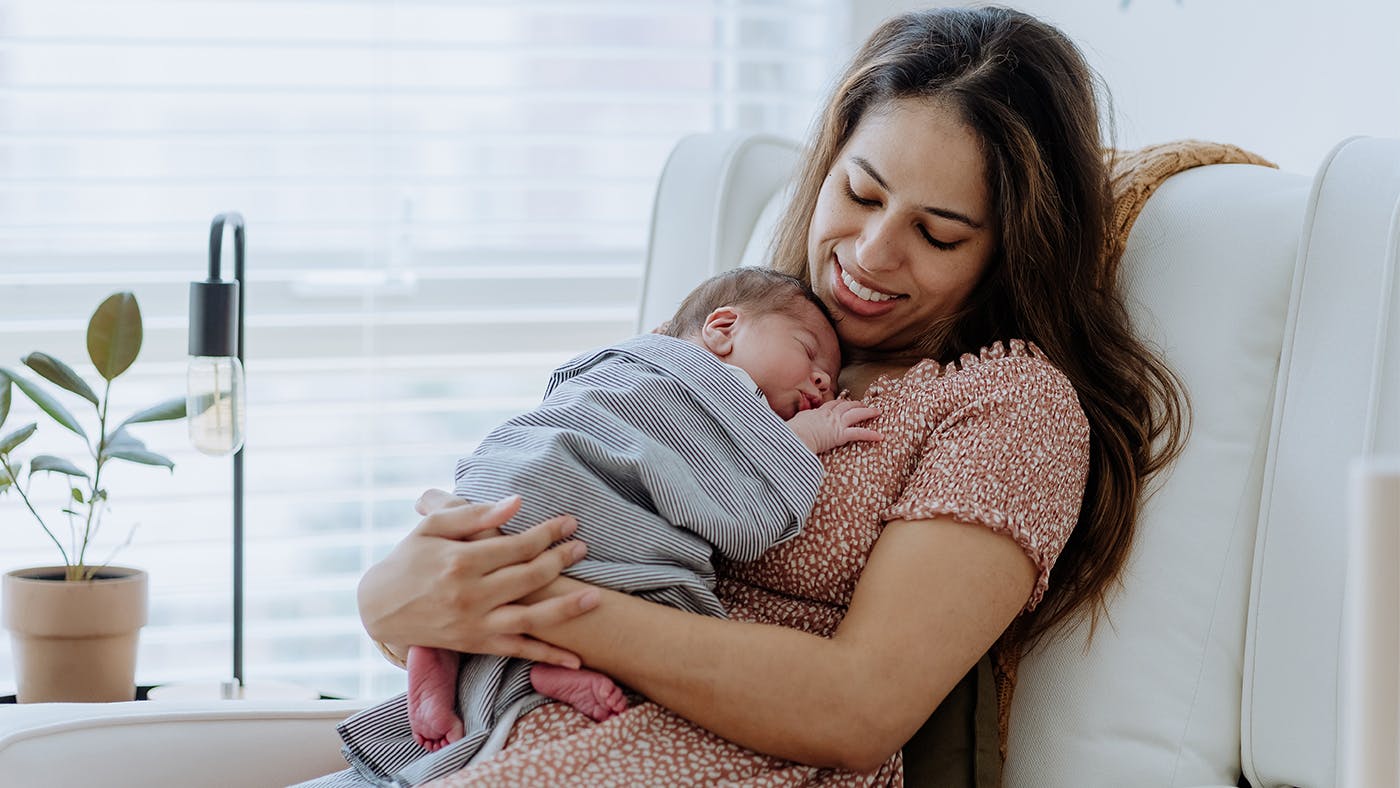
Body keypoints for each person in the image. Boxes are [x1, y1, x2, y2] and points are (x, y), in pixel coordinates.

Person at [344, 6, 1188, 786]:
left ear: (1010, 251)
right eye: (859, 193)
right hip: (510, 723)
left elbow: (857, 707)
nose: (872, 252)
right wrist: (390, 600)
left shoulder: (1009, 408)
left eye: (937, 233)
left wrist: (533, 606)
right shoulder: (755, 329)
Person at [391, 268, 883, 766]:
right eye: (807, 351)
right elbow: (741, 507)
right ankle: (534, 662)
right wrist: (804, 438)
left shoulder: (626, 359)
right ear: (722, 328)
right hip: (573, 491)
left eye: (832, 377)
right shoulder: (708, 386)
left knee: (518, 582)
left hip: (500, 486)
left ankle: (448, 654)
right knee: (670, 606)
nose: (823, 379)